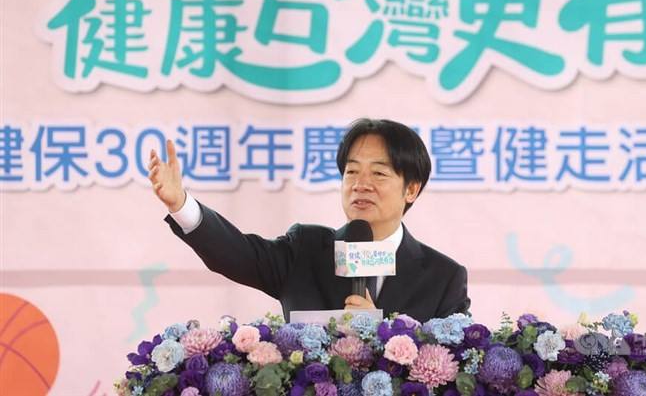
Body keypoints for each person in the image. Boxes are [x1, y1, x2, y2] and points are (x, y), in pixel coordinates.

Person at [148, 118, 470, 322]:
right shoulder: (306, 249)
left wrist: (383, 336)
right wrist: (182, 204)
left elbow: (452, 373)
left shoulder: (444, 278)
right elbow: (237, 253)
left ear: (411, 189)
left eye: (379, 173)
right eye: (352, 171)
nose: (361, 184)